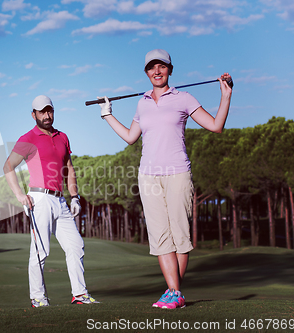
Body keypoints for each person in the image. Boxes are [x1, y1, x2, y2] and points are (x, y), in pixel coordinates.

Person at [97, 49, 232, 309]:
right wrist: (107, 114)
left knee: (179, 236)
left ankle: (173, 293)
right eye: (151, 68)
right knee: (160, 238)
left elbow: (216, 126)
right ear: (146, 72)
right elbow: (130, 137)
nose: (156, 72)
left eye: (162, 67)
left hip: (178, 173)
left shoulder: (184, 98)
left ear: (170, 69)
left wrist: (225, 95)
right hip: (148, 176)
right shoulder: (142, 103)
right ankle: (175, 293)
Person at [3, 95, 99, 307]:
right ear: (33, 114)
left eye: (49, 111)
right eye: (42, 111)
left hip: (60, 200)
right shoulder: (28, 138)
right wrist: (20, 195)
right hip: (39, 199)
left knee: (76, 245)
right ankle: (38, 298)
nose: (47, 115)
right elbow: (8, 166)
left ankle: (80, 295)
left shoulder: (62, 136)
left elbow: (69, 168)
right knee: (40, 251)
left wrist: (74, 197)